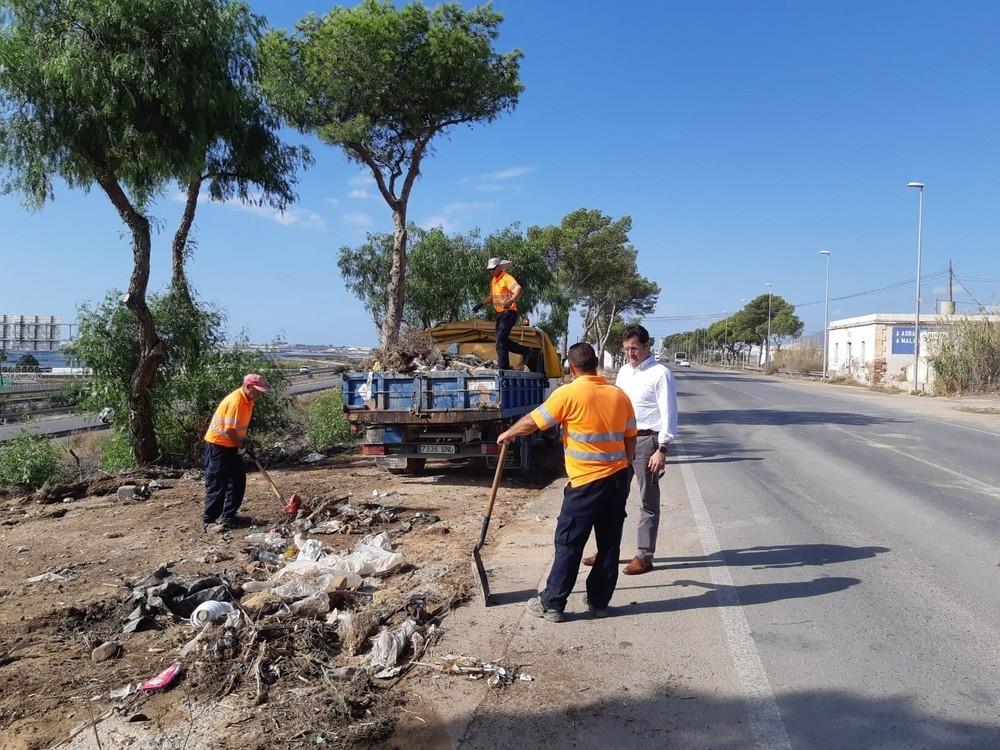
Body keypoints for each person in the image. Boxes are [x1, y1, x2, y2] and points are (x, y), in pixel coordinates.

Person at [497, 342, 637, 621]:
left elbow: (534, 422)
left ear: (571, 367)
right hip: (617, 481)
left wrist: (508, 434)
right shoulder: (619, 395)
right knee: (609, 545)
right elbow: (631, 435)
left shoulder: (568, 393)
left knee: (569, 543)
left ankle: (552, 603)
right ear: (595, 363)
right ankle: (598, 603)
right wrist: (626, 464)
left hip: (585, 484)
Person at [585, 324, 677, 574]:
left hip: (648, 442)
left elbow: (669, 412)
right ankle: (606, 550)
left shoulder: (661, 374)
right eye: (626, 349)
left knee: (648, 502)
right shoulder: (625, 372)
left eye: (634, 348)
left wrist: (663, 449)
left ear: (647, 346)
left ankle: (644, 555)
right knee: (612, 499)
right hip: (620, 442)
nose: (630, 354)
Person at [202, 373, 269, 531]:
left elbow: (238, 428)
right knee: (218, 483)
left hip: (231, 444)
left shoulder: (248, 401)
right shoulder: (236, 401)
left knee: (238, 480)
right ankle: (209, 521)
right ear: (247, 387)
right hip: (218, 446)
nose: (259, 394)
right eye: (257, 390)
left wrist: (244, 439)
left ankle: (229, 517)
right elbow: (230, 429)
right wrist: (240, 446)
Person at [484, 256, 533, 370]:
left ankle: (503, 368)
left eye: (493, 269)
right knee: (501, 341)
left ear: (499, 267)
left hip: (509, 312)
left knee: (500, 341)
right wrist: (482, 303)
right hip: (500, 314)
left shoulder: (506, 278)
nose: (491, 271)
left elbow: (518, 289)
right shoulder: (494, 281)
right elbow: (492, 297)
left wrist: (511, 301)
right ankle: (525, 351)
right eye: (490, 270)